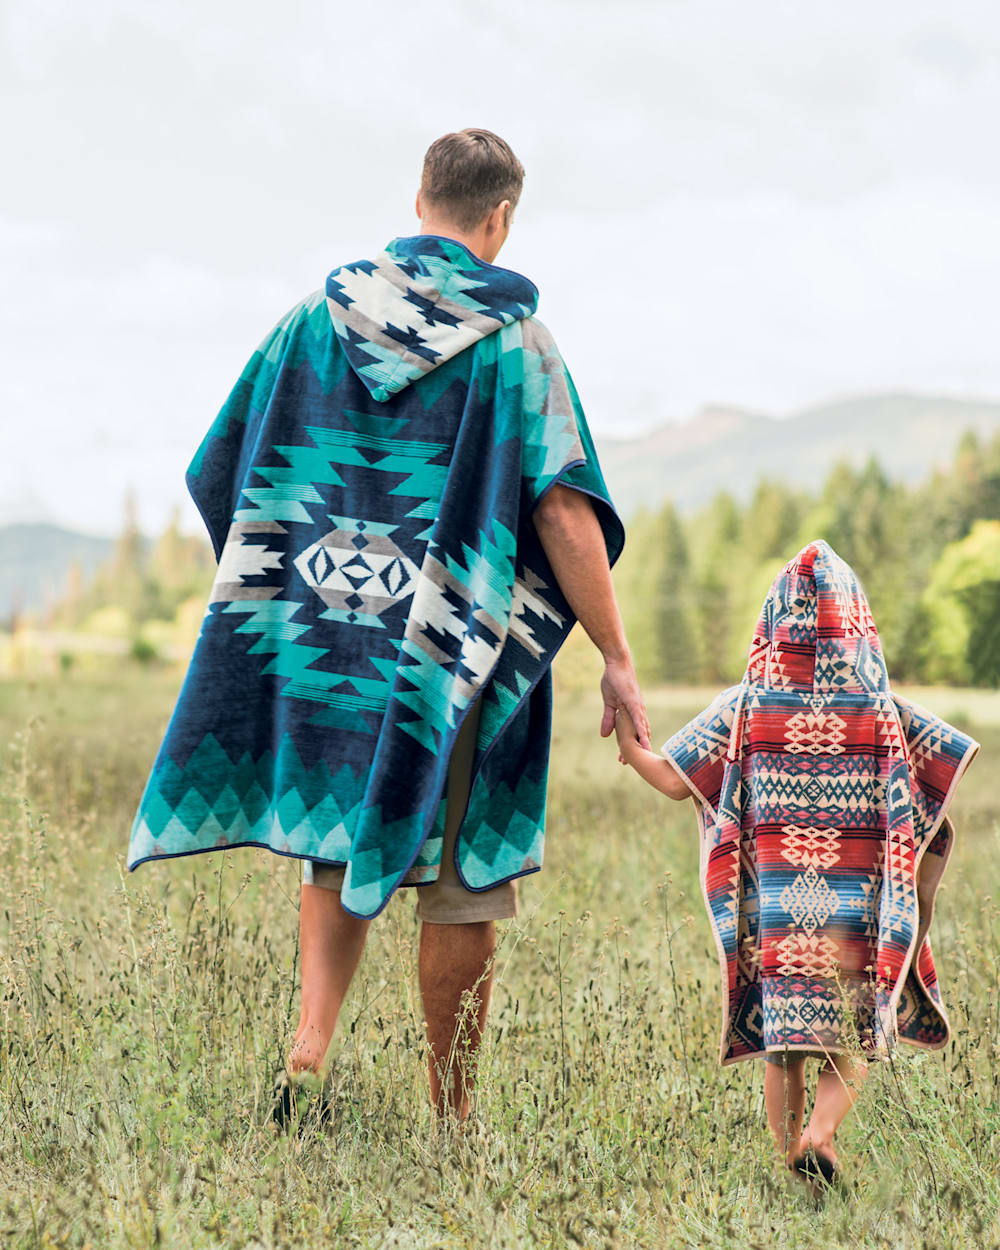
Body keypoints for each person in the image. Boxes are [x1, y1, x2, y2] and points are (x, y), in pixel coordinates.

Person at [126, 128, 649, 1126]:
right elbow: (562, 510)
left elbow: (221, 462)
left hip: (332, 642)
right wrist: (616, 656)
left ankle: (310, 1044)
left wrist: (295, 590)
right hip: (448, 649)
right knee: (456, 881)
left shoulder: (309, 325)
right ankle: (452, 1116)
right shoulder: (515, 345)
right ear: (498, 220)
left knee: (340, 835)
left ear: (420, 202)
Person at [615, 540, 978, 1190]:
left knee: (782, 1054)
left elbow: (674, 782)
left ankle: (793, 1168)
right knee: (849, 1044)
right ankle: (822, 1135)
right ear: (857, 624)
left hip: (781, 918)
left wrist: (630, 738)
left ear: (770, 624)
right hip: (855, 915)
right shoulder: (883, 710)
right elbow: (948, 766)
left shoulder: (746, 706)